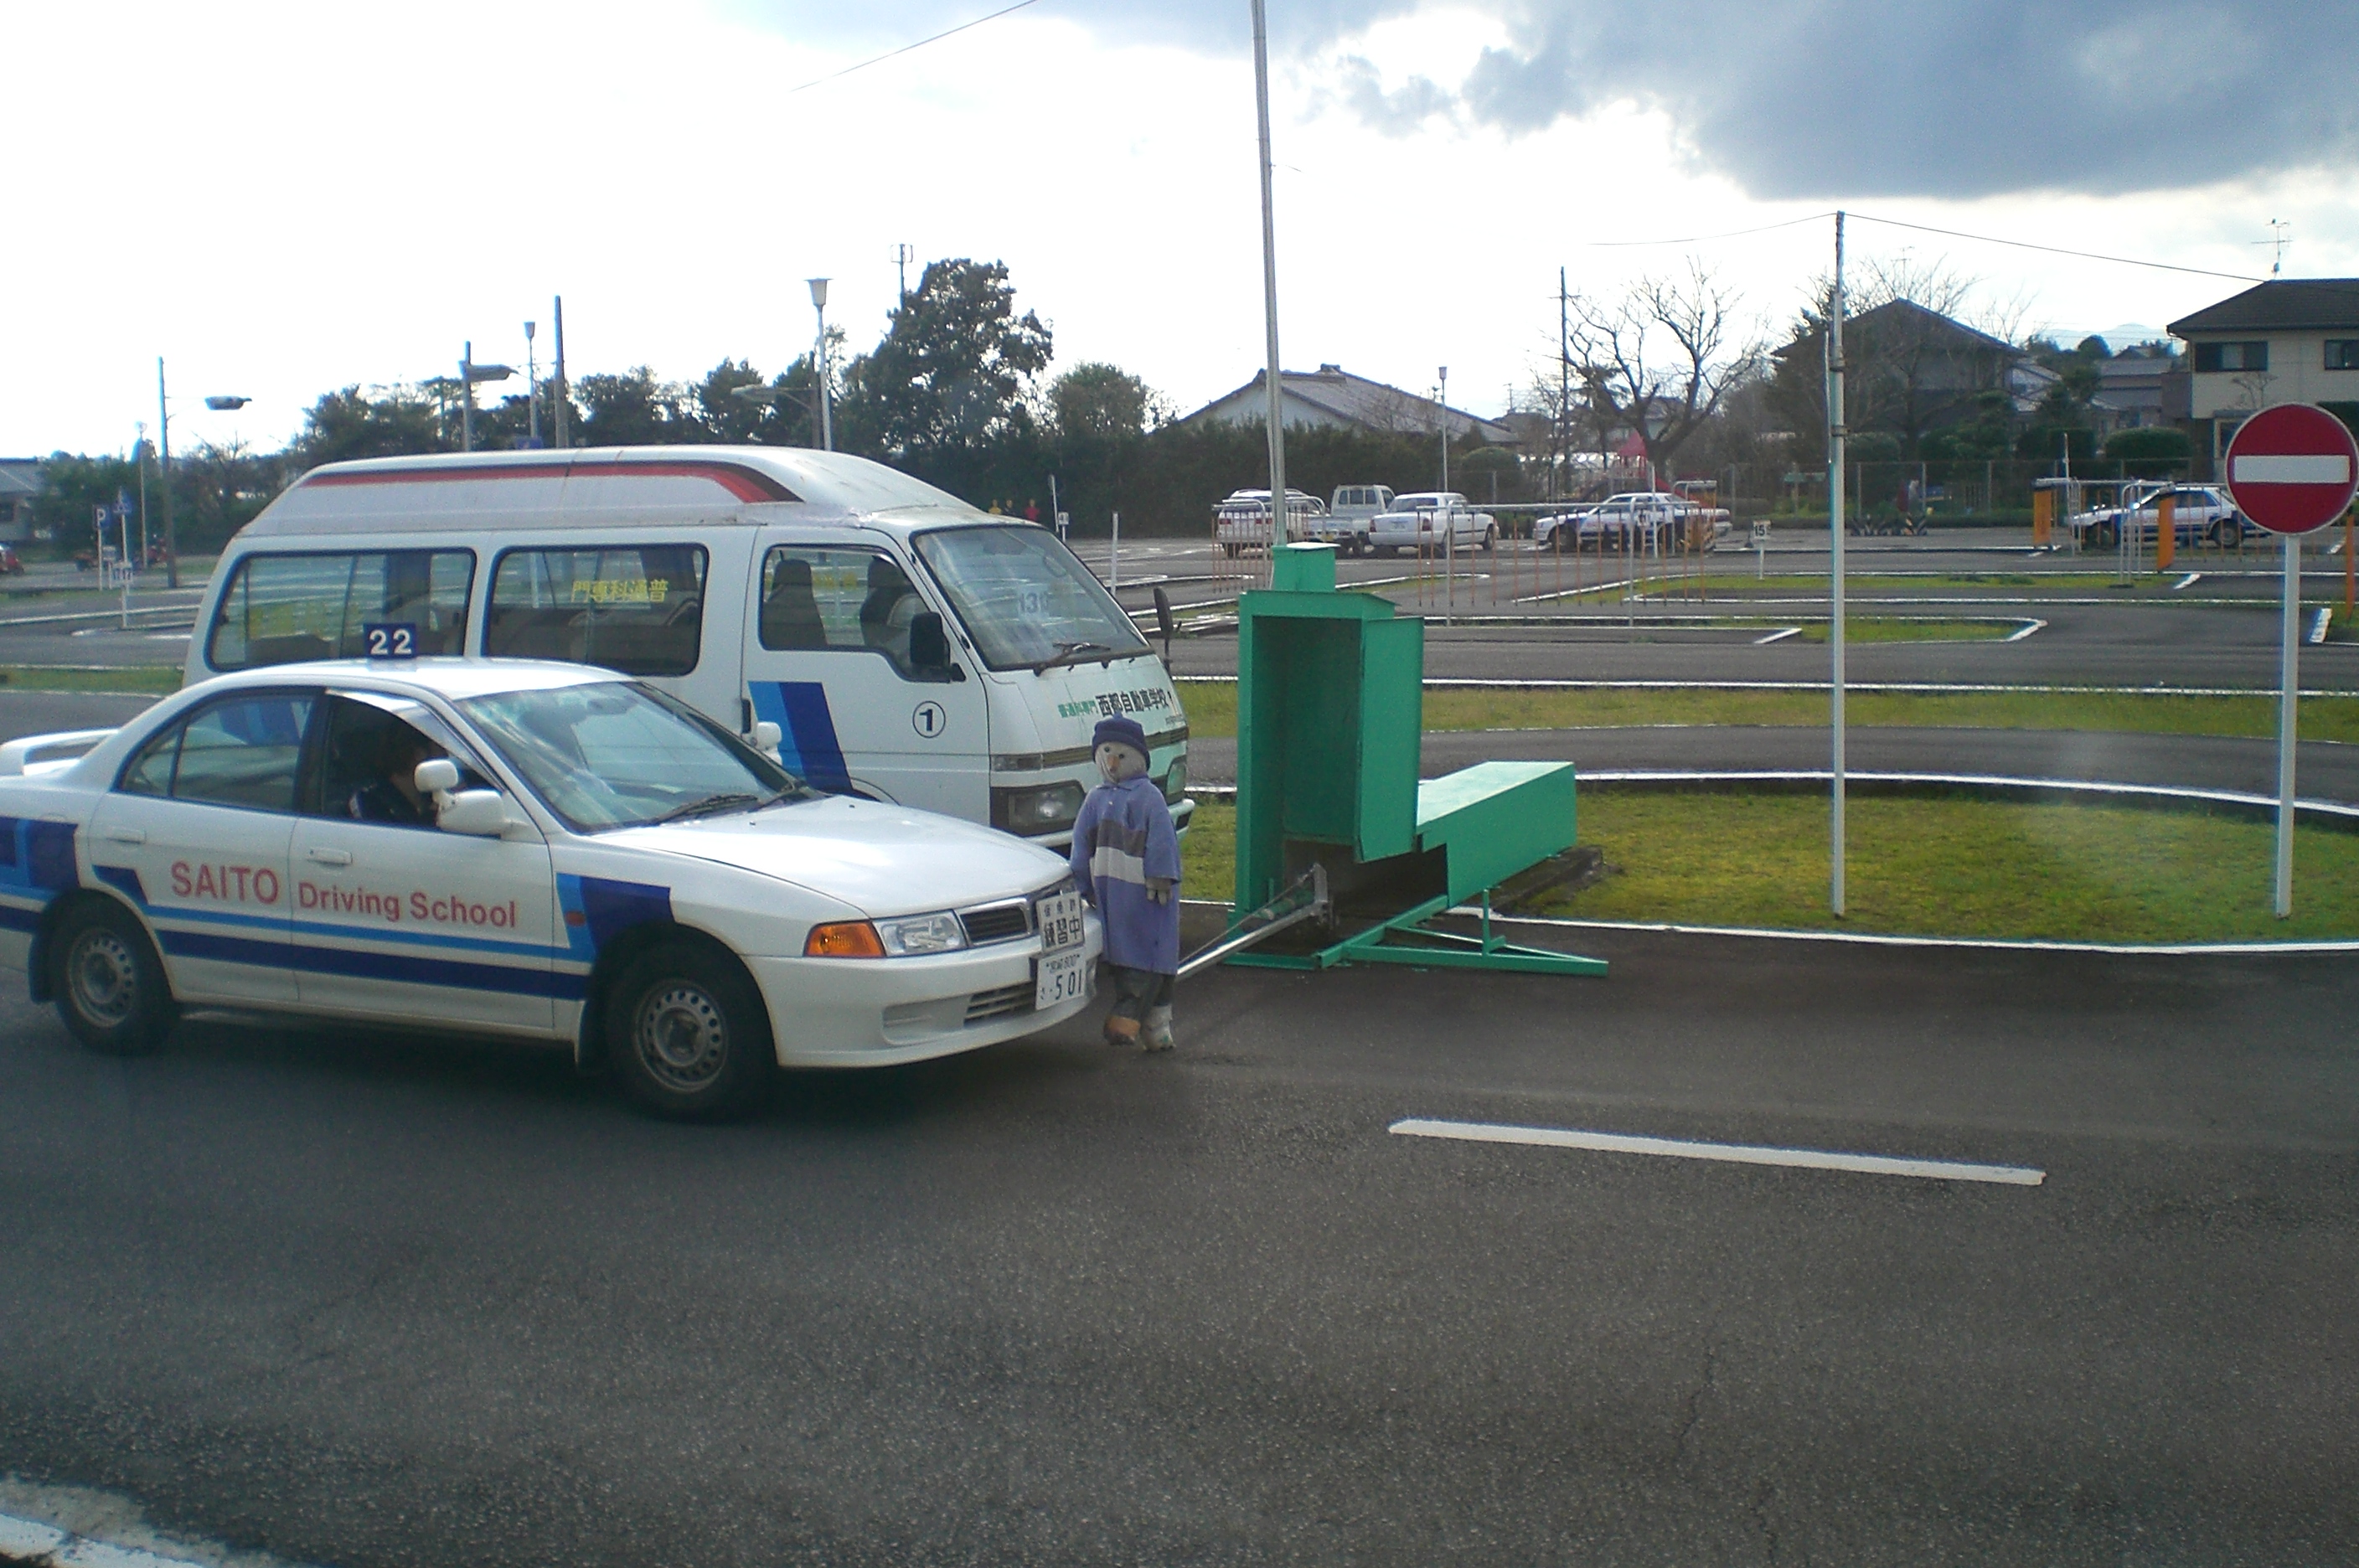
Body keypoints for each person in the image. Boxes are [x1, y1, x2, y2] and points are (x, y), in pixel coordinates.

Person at [1070, 714, 1180, 1051]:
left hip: (1147, 895)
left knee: (1148, 956)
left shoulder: (1148, 798)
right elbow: (1080, 845)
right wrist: (1081, 883)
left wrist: (1161, 873)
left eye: (1121, 754)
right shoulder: (1095, 800)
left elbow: (1163, 840)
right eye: (1106, 752)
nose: (1113, 762)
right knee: (1128, 957)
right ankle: (1156, 1031)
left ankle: (1128, 1020)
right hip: (1111, 895)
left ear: (1139, 758)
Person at [347, 723, 443, 827]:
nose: (445, 759)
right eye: (441, 750)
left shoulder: (430, 800)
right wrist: (430, 818)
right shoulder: (371, 803)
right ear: (418, 755)